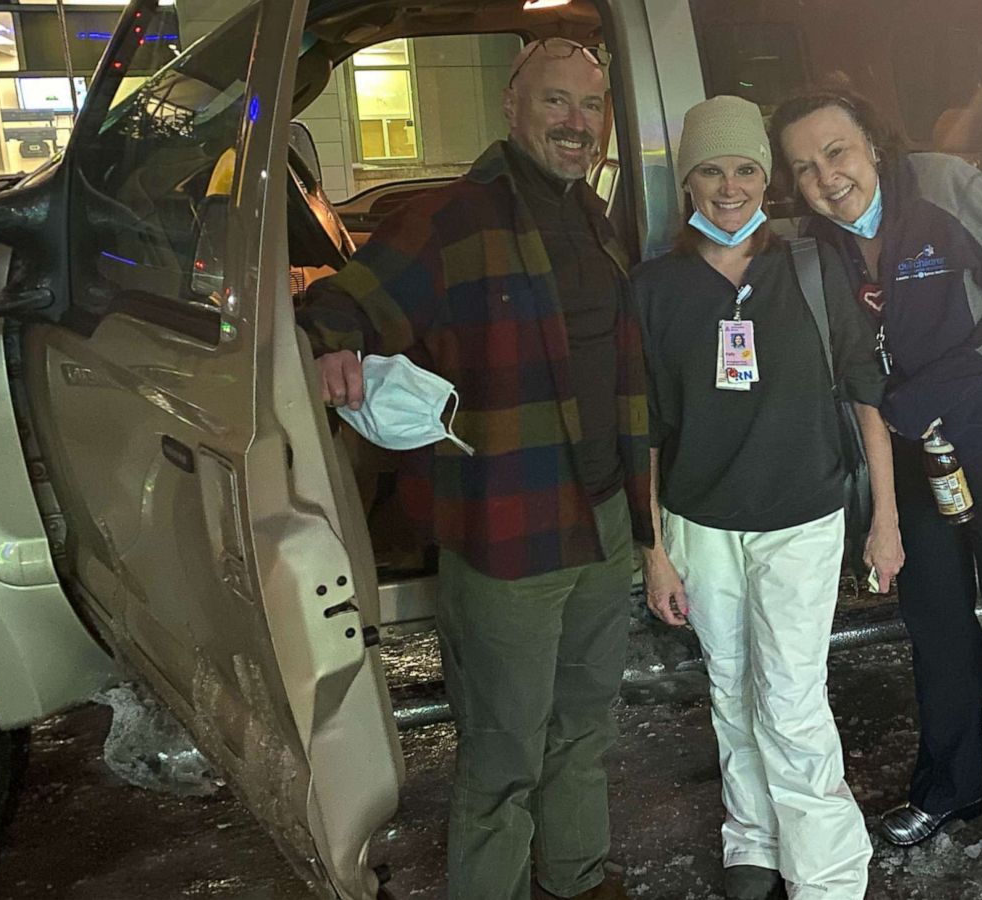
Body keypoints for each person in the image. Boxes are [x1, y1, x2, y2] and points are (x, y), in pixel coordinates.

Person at [300, 38, 646, 900]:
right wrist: (331, 339)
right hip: (507, 532)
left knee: (585, 726)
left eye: (592, 107)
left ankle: (575, 876)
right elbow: (341, 300)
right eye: (557, 102)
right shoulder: (453, 216)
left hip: (603, 518)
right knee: (502, 749)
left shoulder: (592, 217)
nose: (577, 124)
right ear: (513, 107)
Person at [771, 88, 982, 900]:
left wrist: (933, 388)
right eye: (804, 167)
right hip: (918, 456)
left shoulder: (943, 188)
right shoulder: (823, 249)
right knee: (938, 625)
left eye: (836, 151)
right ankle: (949, 786)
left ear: (871, 141)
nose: (826, 177)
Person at [632, 95, 902, 900]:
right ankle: (750, 836)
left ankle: (827, 876)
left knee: (789, 701)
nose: (729, 187)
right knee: (731, 687)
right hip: (700, 525)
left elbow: (867, 398)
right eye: (710, 169)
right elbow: (643, 428)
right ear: (687, 181)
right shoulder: (655, 290)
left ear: (767, 179)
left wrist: (885, 521)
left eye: (746, 168)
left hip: (801, 521)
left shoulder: (812, 269)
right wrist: (652, 550)